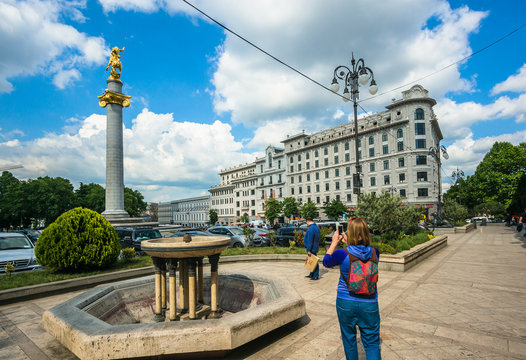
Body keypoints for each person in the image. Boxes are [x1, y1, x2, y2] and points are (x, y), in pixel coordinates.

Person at [323, 217, 381, 360]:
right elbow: (360, 253)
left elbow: (326, 262)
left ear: (350, 234)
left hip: (346, 301)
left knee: (349, 339)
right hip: (369, 303)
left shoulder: (342, 254)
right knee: (372, 343)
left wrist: (334, 243)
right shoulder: (375, 253)